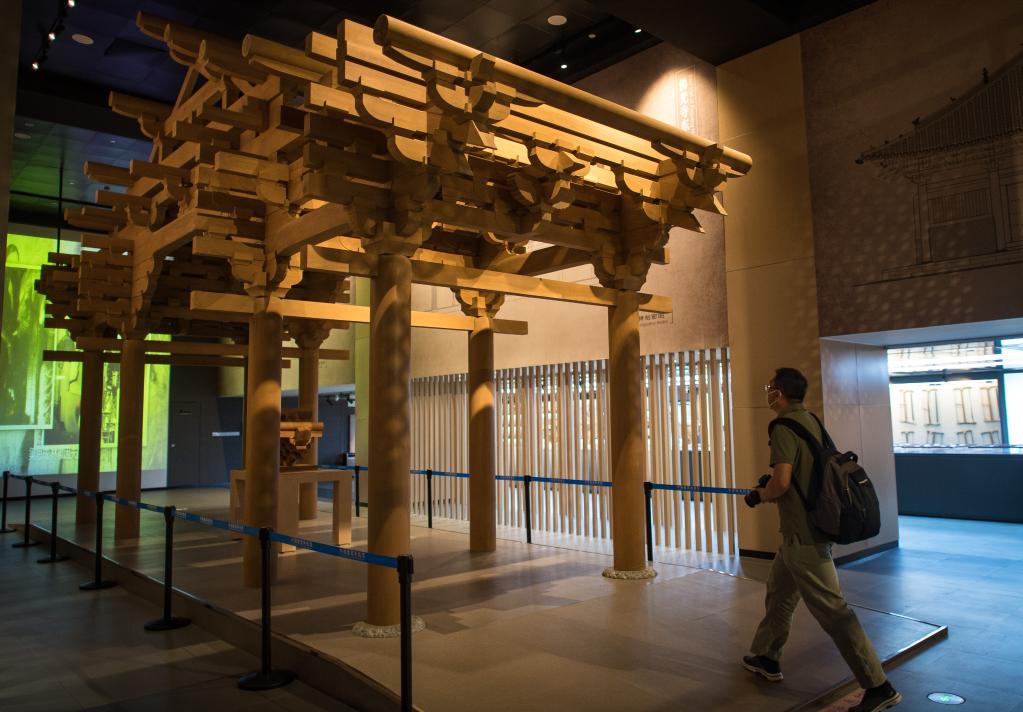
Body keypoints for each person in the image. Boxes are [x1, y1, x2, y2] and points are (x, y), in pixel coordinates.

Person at [741, 367, 901, 712]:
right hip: (800, 536)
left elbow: (782, 482)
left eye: (770, 387)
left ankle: (878, 686)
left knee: (834, 611)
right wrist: (774, 484)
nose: (767, 393)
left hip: (805, 538)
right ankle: (767, 656)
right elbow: (804, 473)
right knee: (779, 595)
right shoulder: (810, 419)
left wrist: (759, 494)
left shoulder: (782, 426)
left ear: (780, 393)